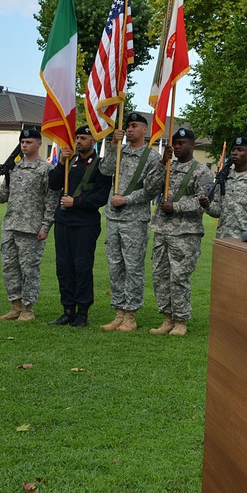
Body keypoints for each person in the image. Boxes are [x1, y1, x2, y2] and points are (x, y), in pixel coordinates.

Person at [0, 127, 58, 322]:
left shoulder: (45, 169)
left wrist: (45, 226)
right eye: (22, 142)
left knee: (29, 269)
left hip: (31, 228)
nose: (25, 145)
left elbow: (51, 200)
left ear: (39, 144)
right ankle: (15, 305)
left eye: (29, 142)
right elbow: (4, 195)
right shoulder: (13, 168)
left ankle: (28, 309)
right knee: (9, 267)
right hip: (10, 225)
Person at [98, 112, 164, 332]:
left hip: (134, 219)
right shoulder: (119, 151)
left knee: (133, 268)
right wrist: (112, 144)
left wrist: (126, 199)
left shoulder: (152, 157)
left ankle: (130, 316)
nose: (129, 129)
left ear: (145, 130)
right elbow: (104, 170)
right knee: (115, 267)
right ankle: (118, 313)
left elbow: (151, 190)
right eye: (128, 125)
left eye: (134, 126)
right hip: (114, 217)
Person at [148, 128, 215, 336]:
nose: (177, 147)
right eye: (174, 143)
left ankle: (181, 321)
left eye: (181, 143)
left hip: (186, 234)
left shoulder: (201, 171)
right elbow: (150, 188)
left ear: (192, 145)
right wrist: (161, 163)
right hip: (162, 230)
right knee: (160, 276)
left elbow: (204, 201)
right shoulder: (168, 167)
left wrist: (175, 206)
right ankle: (167, 318)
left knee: (179, 277)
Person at [47, 125, 111, 328]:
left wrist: (76, 202)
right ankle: (68, 310)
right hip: (64, 222)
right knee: (63, 267)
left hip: (84, 224)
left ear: (94, 140)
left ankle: (82, 312)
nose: (79, 141)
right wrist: (61, 163)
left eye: (84, 138)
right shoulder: (69, 161)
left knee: (82, 267)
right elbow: (54, 184)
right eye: (78, 138)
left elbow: (101, 196)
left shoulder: (101, 166)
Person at [201, 135, 247, 239]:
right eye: (233, 149)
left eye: (240, 150)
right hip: (224, 237)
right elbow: (217, 211)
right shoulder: (223, 177)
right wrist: (207, 205)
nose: (235, 153)